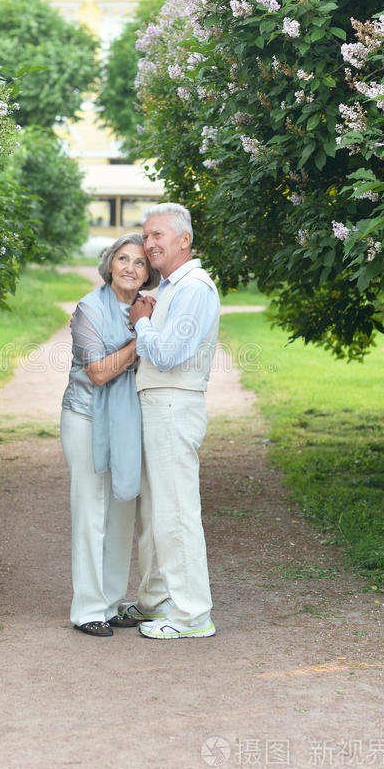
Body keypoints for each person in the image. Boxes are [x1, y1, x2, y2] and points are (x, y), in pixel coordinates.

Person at [120, 203, 220, 639]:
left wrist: (142, 323)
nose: (149, 243)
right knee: (156, 510)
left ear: (185, 240)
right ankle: (156, 599)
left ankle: (192, 615)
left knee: (176, 511)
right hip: (159, 404)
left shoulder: (195, 287)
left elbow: (166, 354)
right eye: (146, 236)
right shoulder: (172, 288)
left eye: (158, 235)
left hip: (175, 404)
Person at [60, 233, 159, 637]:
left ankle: (112, 602)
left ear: (148, 272)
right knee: (89, 510)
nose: (130, 268)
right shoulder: (89, 309)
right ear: (110, 264)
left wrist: (147, 324)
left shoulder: (148, 311)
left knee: (122, 509)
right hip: (85, 416)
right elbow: (99, 372)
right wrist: (140, 338)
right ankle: (86, 609)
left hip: (127, 421)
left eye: (139, 262)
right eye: (123, 259)